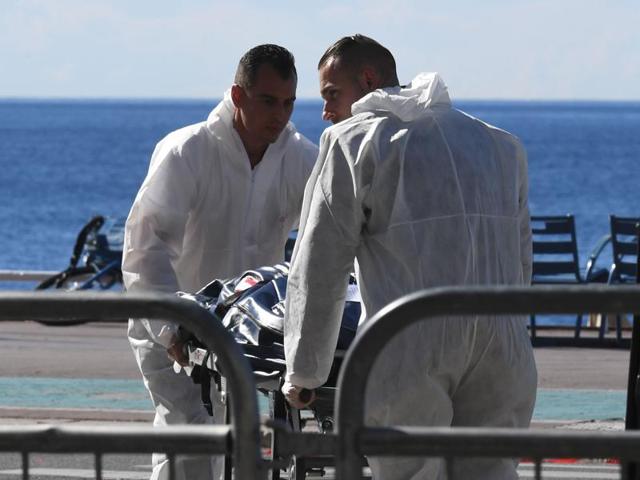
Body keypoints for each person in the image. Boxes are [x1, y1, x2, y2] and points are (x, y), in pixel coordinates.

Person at [282, 34, 537, 479]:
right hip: (502, 344)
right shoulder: (499, 144)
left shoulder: (353, 142)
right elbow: (520, 258)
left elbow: (320, 264)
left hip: (409, 344)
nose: (325, 111)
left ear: (367, 78)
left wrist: (304, 373)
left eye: (331, 94)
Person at [123, 44, 318, 480]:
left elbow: (327, 242)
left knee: (253, 449)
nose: (280, 114)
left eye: (288, 103)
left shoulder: (302, 158)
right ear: (238, 95)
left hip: (252, 335)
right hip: (174, 326)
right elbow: (145, 245)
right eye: (267, 101)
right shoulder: (186, 151)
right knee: (189, 442)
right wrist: (171, 326)